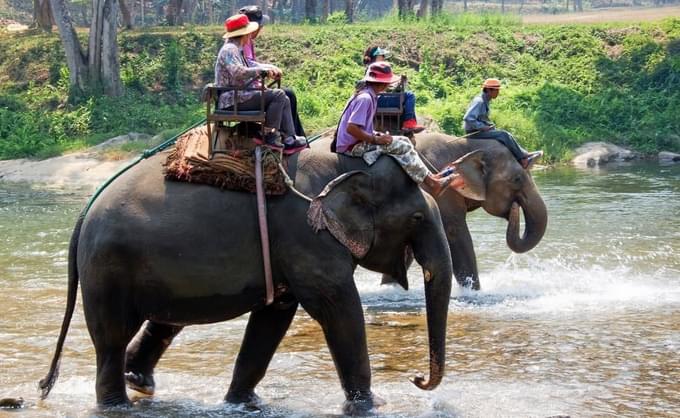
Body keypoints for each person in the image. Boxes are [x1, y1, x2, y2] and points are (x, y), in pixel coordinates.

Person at [334, 62, 459, 197]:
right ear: (382, 84)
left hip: (355, 142)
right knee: (402, 146)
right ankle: (432, 184)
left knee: (404, 140)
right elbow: (351, 128)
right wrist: (375, 139)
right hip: (352, 147)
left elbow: (361, 127)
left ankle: (431, 178)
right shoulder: (365, 99)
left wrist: (376, 134)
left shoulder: (368, 95)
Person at [214, 14, 306, 151]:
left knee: (285, 99)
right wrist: (262, 70)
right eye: (248, 33)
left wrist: (269, 67)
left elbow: (250, 64)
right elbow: (239, 72)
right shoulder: (229, 50)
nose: (250, 36)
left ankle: (289, 137)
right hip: (232, 99)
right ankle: (268, 134)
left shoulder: (236, 49)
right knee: (278, 95)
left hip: (241, 95)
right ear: (244, 34)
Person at [239, 5, 306, 137]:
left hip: (250, 87)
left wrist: (268, 68)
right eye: (260, 26)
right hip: (245, 91)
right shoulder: (240, 43)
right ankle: (280, 135)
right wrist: (267, 68)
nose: (261, 29)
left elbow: (250, 64)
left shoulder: (248, 41)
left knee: (287, 94)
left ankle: (292, 135)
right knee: (286, 94)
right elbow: (246, 66)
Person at [463, 78, 541, 168]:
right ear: (488, 90)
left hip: (480, 131)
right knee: (504, 135)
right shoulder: (479, 101)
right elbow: (468, 118)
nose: (498, 92)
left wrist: (487, 125)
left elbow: (480, 118)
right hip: (474, 133)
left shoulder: (485, 100)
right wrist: (482, 127)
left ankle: (524, 155)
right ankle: (523, 158)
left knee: (505, 135)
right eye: (496, 90)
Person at [362, 46, 424, 133]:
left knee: (402, 97)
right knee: (409, 95)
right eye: (382, 55)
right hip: (377, 100)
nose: (383, 58)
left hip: (375, 98)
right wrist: (400, 80)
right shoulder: (376, 68)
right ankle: (409, 123)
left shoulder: (371, 68)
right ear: (377, 56)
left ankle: (407, 124)